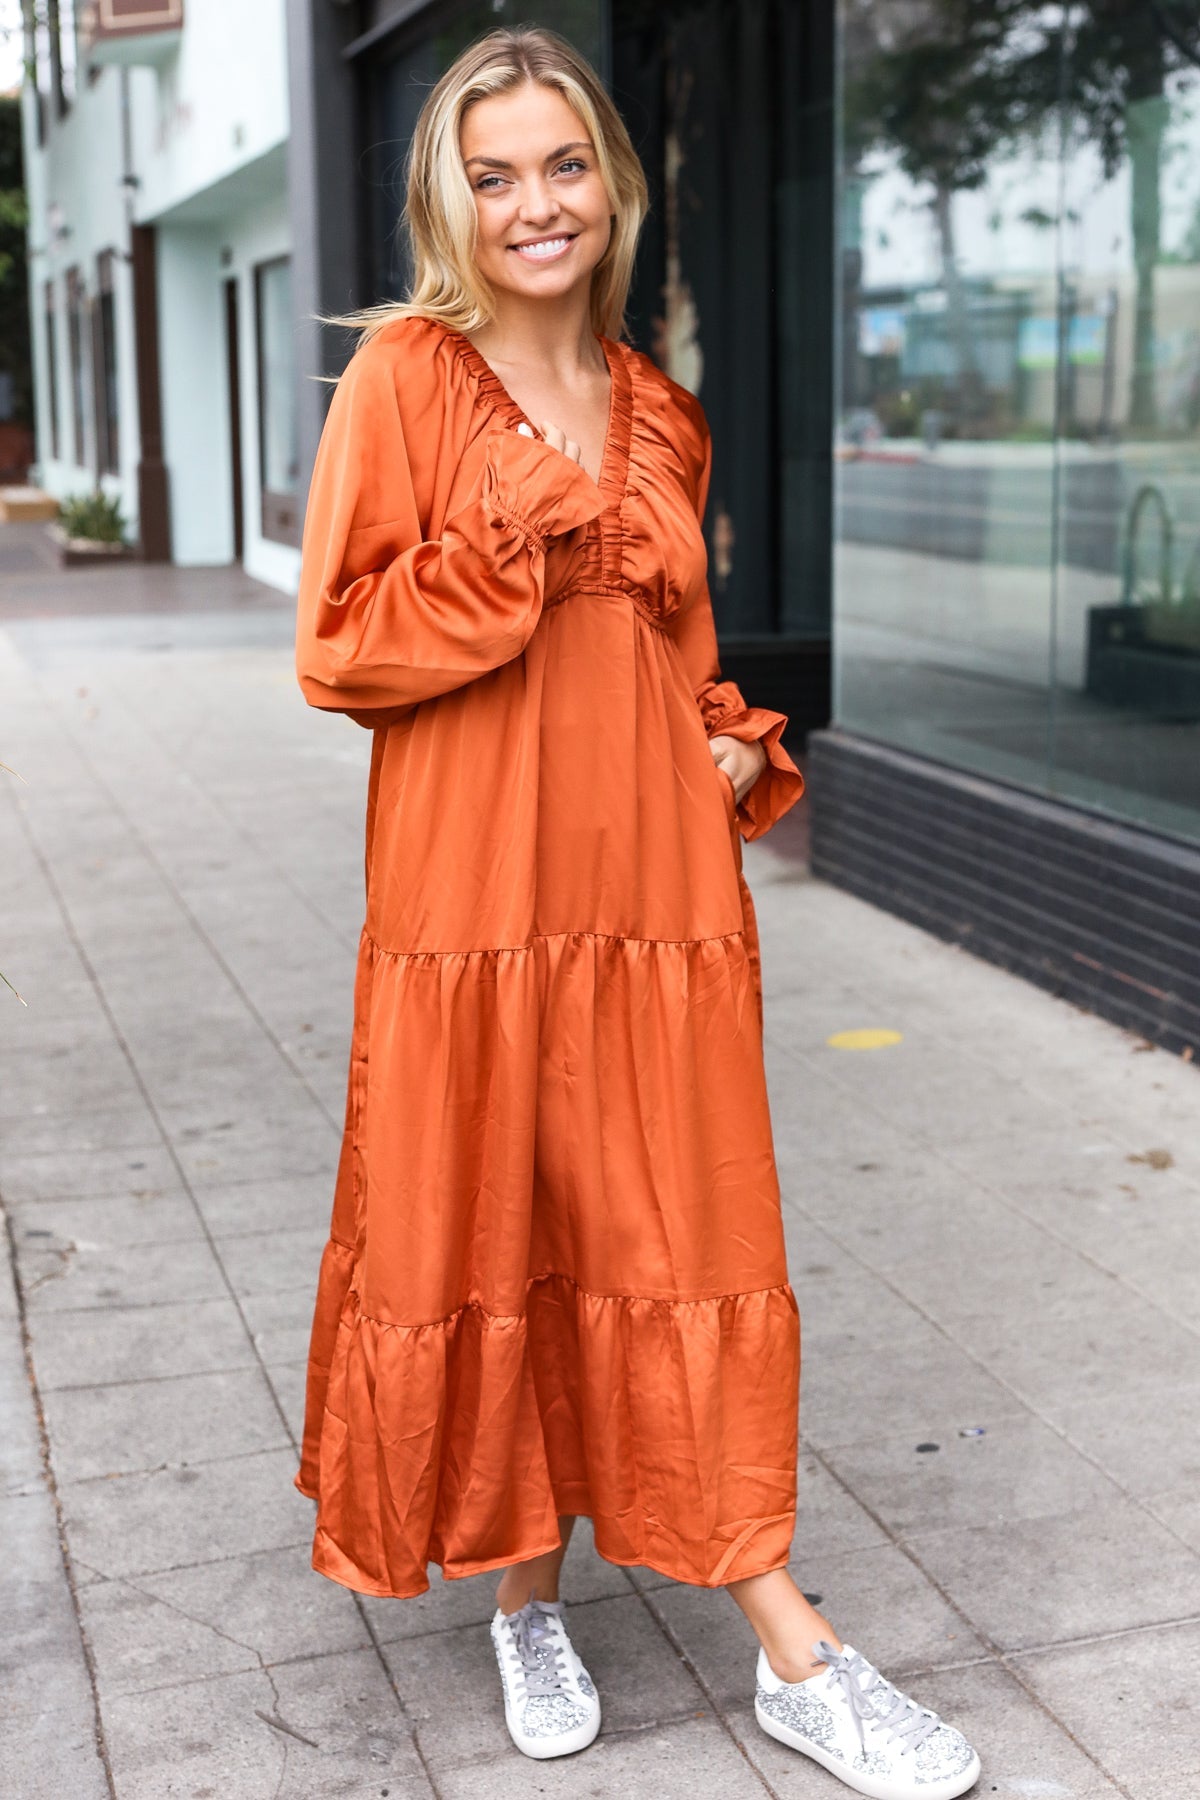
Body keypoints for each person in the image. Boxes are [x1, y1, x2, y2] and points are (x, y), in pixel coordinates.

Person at [293, 26, 981, 1799]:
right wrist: (507, 549)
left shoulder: (658, 405)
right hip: (472, 902)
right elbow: (342, 646)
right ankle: (604, 1612)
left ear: (616, 181)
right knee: (514, 1227)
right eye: (496, 173)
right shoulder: (406, 382)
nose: (537, 204)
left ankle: (777, 1653)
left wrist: (727, 747)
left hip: (655, 906)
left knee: (669, 1245)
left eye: (566, 166)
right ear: (450, 196)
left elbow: (675, 655)